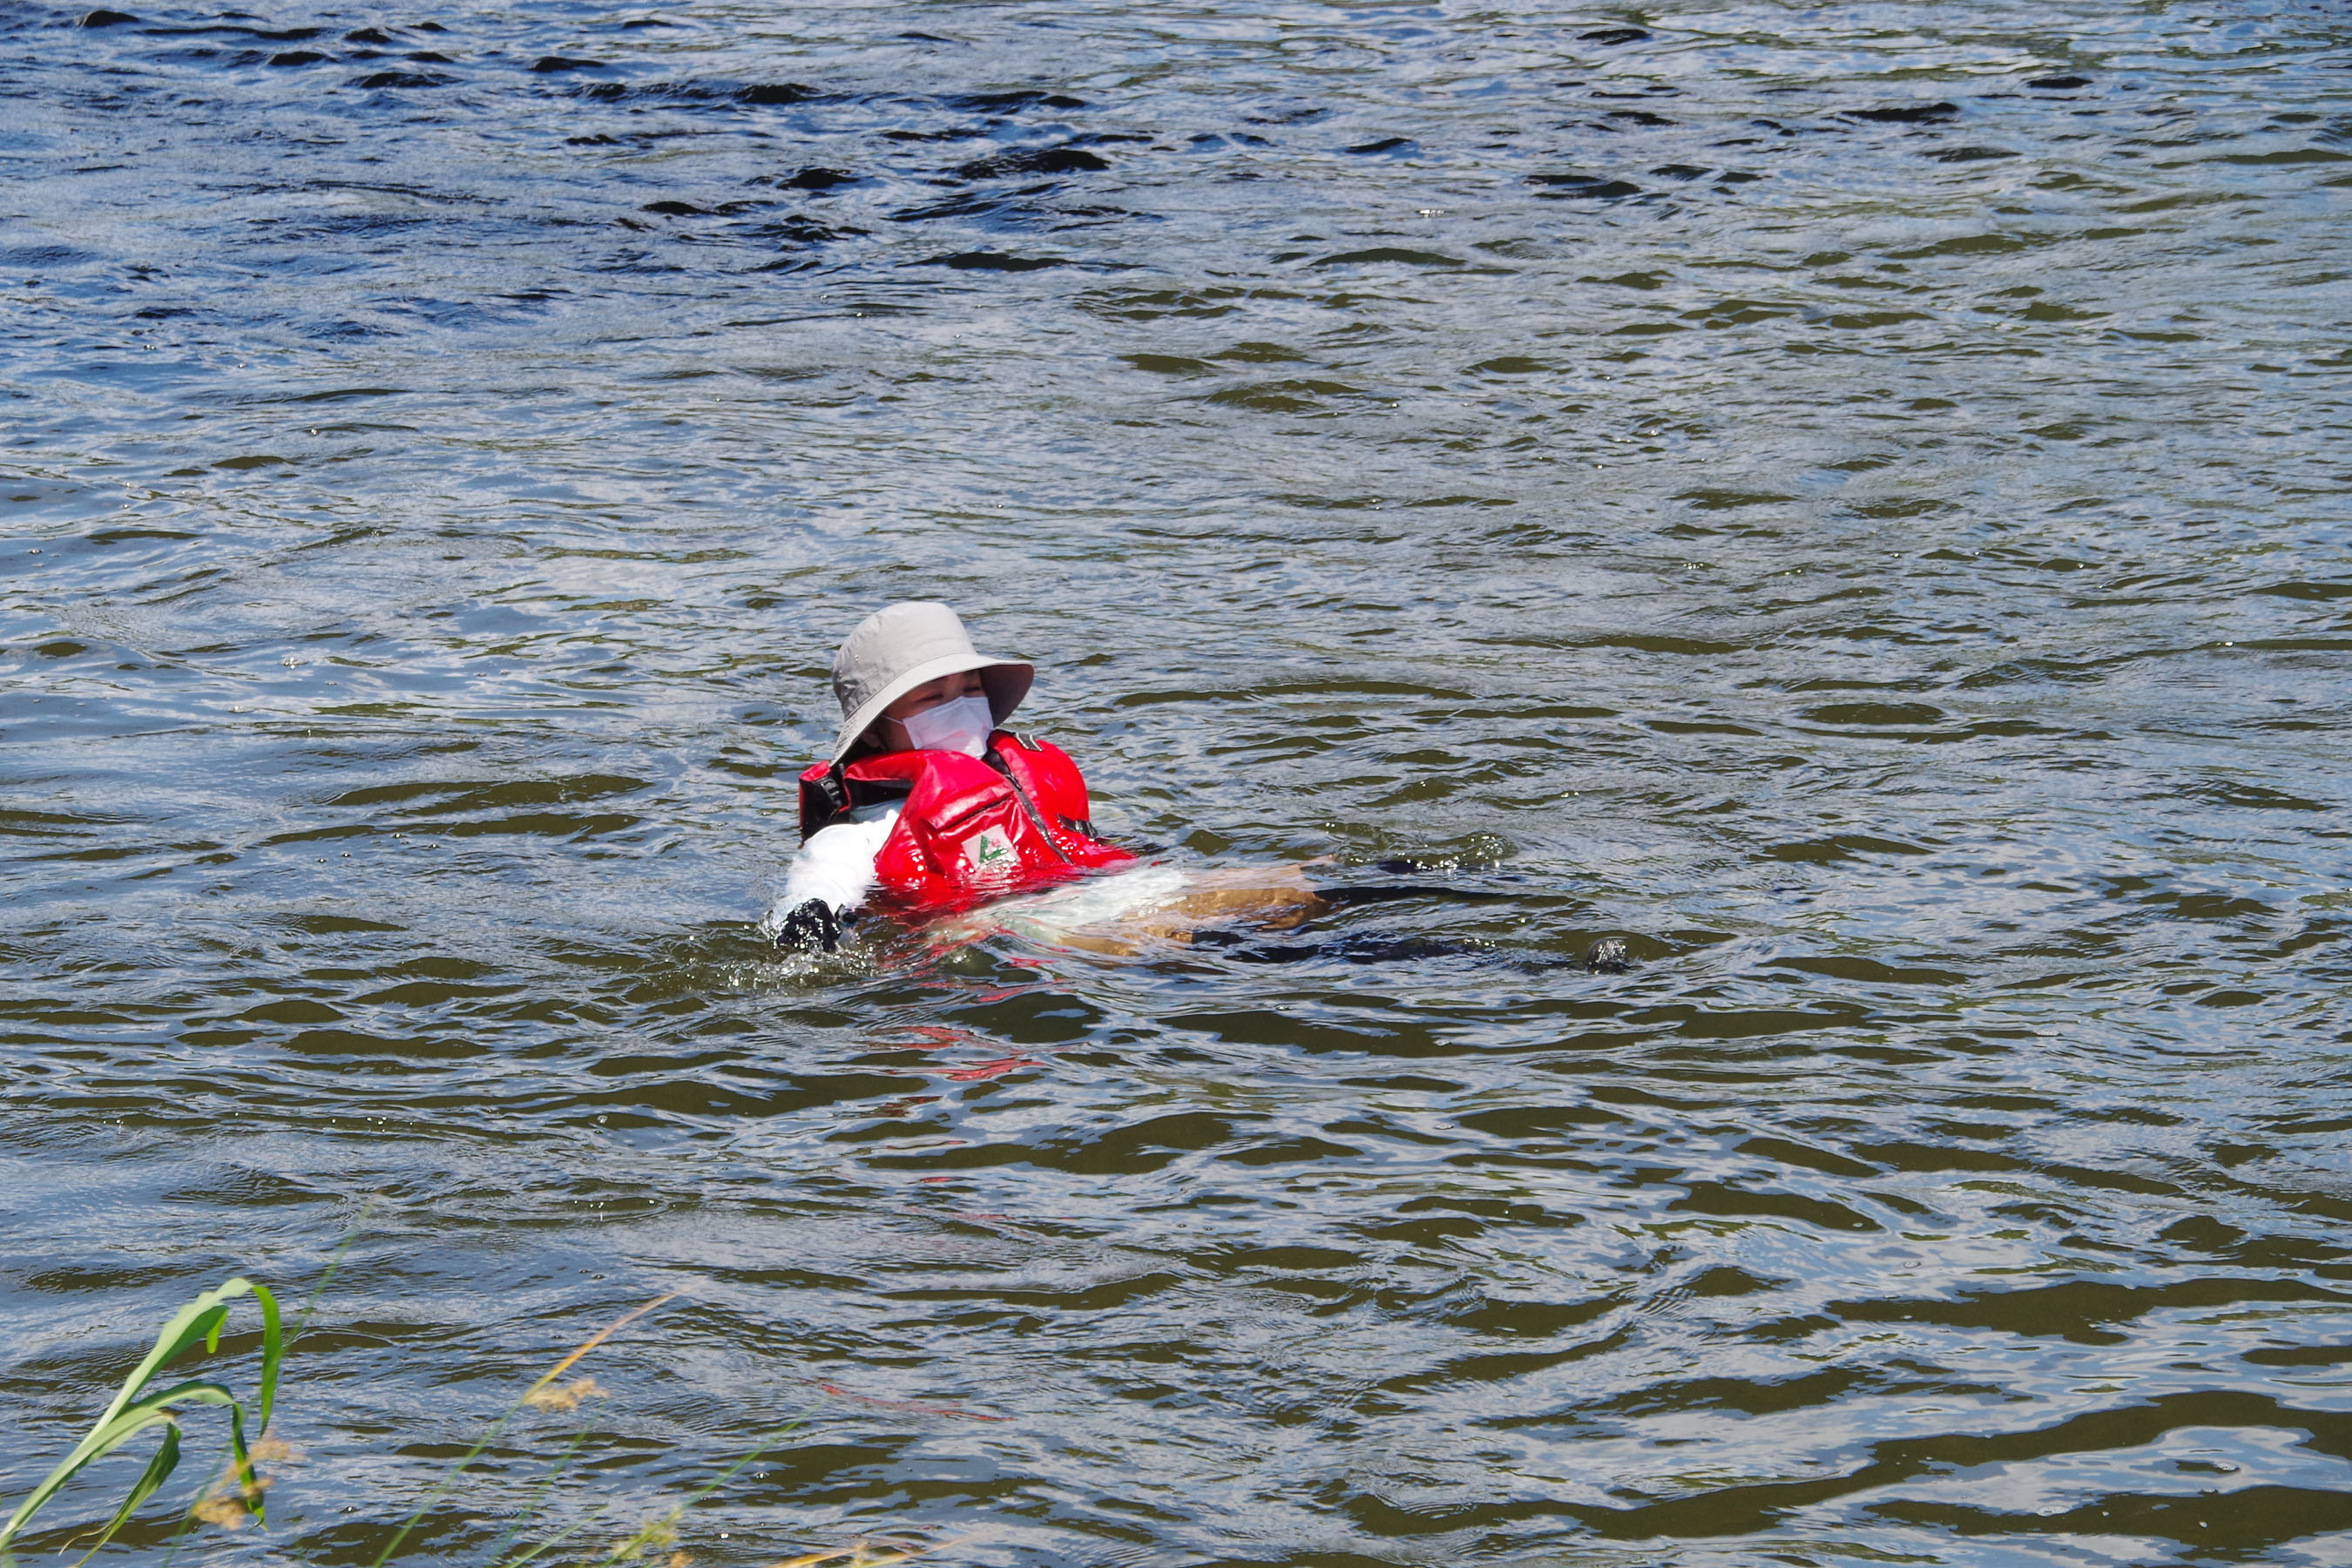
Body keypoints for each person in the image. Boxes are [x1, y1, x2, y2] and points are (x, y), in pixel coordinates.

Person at [765, 601, 1322, 954]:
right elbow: (820, 886)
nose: (958, 706)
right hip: (1009, 924)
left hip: (1105, 888)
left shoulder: (1013, 775)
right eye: (932, 697)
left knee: (1319, 882)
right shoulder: (860, 830)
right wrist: (811, 918)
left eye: (970, 689)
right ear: (876, 733)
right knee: (1222, 941)